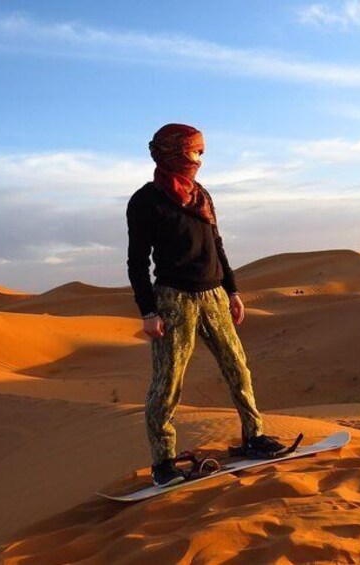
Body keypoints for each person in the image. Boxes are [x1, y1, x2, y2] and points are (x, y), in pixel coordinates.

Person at [126, 123, 287, 487]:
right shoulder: (146, 200)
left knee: (238, 368)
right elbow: (137, 261)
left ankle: (254, 436)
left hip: (214, 295)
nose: (200, 158)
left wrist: (233, 291)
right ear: (175, 152)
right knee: (168, 383)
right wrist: (148, 311)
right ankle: (163, 463)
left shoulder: (201, 195)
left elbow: (216, 243)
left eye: (201, 151)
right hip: (173, 299)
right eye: (195, 151)